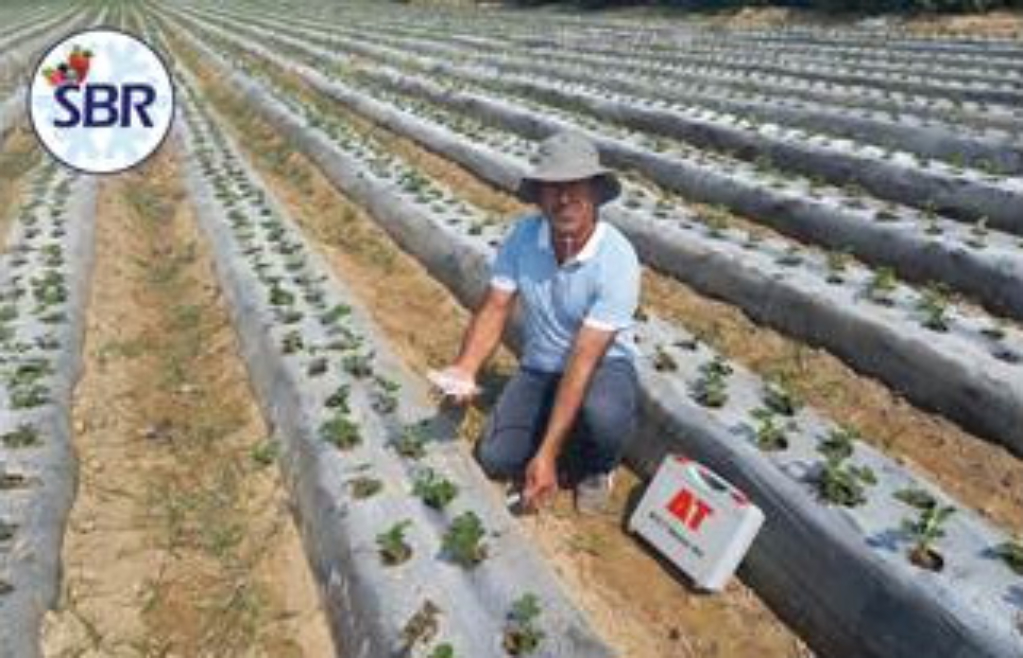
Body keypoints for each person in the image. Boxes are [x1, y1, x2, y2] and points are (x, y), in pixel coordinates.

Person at [436, 131, 641, 515]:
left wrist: (546, 453)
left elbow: (583, 359)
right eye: (553, 188)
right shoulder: (523, 237)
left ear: (595, 191)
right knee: (495, 458)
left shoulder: (617, 259)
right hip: (540, 366)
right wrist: (465, 368)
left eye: (575, 186)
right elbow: (496, 307)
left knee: (604, 415)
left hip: (601, 367)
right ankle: (554, 431)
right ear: (540, 196)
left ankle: (597, 466)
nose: (564, 199)